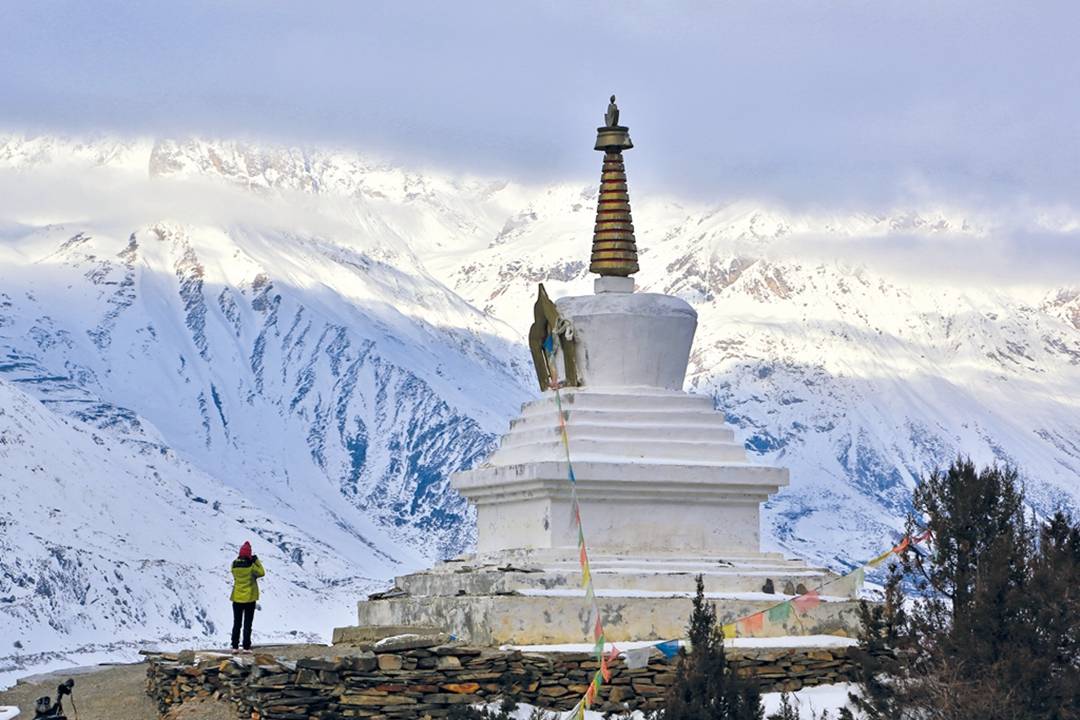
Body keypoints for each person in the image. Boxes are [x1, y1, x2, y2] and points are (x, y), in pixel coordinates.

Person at [229, 541, 265, 653]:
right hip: (249, 598)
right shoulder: (252, 566)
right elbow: (262, 572)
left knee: (237, 623)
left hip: (236, 598)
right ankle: (246, 647)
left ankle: (234, 646)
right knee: (247, 623)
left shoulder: (234, 564)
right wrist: (256, 560)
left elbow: (235, 573)